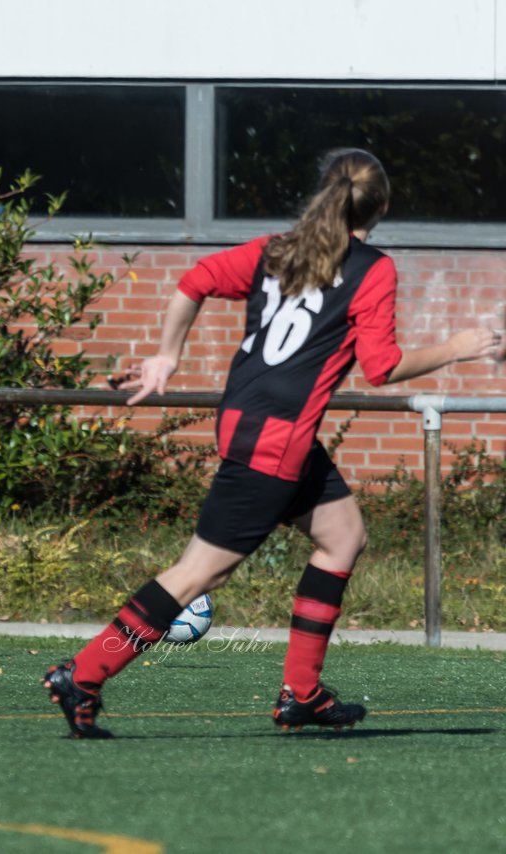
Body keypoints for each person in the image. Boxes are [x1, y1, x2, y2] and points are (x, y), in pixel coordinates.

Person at [43, 148, 501, 739]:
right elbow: (381, 367)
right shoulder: (370, 267)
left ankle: (302, 693)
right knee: (196, 575)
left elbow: (194, 281)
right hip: (276, 441)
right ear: (382, 206)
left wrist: (167, 355)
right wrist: (459, 346)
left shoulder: (279, 249)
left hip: (252, 422)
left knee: (342, 537)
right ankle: (84, 672)